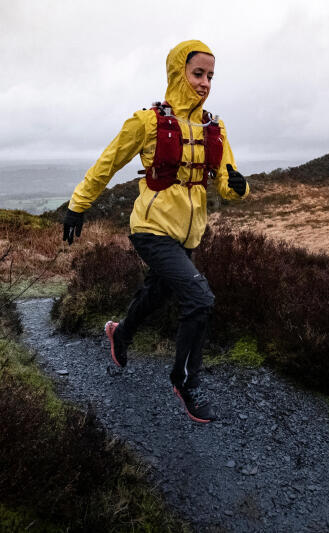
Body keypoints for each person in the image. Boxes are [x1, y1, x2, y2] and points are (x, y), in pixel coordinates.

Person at [62, 39, 249, 423]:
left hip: (188, 234)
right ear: (178, 72)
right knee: (199, 298)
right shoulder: (148, 121)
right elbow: (108, 162)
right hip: (150, 228)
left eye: (211, 76)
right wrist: (78, 205)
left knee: (157, 292)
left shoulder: (215, 126)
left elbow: (227, 184)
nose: (205, 82)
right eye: (198, 73)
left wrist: (238, 185)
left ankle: (121, 333)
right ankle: (186, 382)